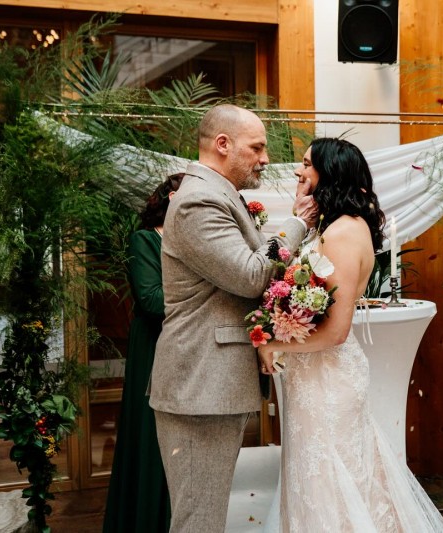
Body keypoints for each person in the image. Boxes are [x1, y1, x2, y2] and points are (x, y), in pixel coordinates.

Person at [257, 138, 443, 532]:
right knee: (316, 481)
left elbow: (336, 332)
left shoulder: (344, 232)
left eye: (307, 164)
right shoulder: (331, 227)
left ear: (330, 173)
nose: (298, 170)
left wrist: (270, 342)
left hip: (328, 381)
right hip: (312, 377)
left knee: (331, 484)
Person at [149, 104, 317, 532]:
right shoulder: (198, 201)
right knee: (198, 521)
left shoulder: (220, 194)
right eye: (256, 147)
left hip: (210, 385)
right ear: (223, 144)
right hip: (199, 386)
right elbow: (250, 275)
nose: (265, 158)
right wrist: (297, 223)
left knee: (205, 516)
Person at [102, 174, 182, 533]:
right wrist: (202, 297)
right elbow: (151, 300)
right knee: (151, 434)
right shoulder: (145, 240)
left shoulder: (195, 242)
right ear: (172, 198)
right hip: (153, 345)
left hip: (184, 346)